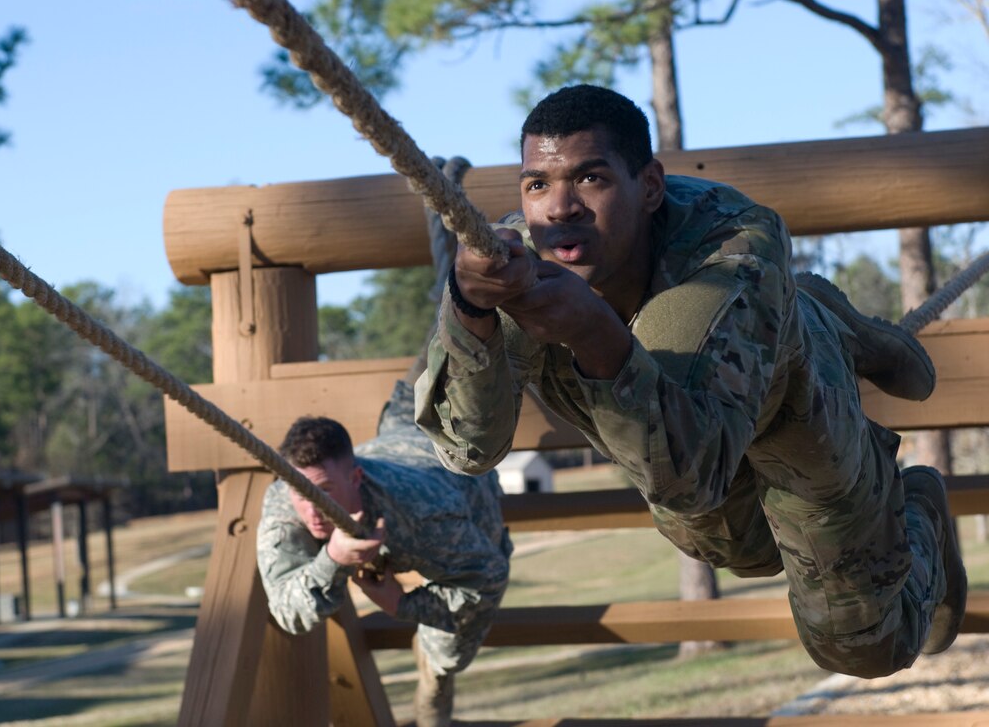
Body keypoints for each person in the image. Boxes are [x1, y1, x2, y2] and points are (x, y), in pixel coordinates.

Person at [414, 83, 966, 679]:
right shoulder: (518, 266)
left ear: (648, 186)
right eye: (537, 184)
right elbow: (467, 448)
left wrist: (597, 335)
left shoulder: (732, 247)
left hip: (791, 405)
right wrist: (470, 311)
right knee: (739, 548)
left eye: (591, 178)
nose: (559, 207)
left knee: (861, 648)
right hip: (696, 429)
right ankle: (805, 309)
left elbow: (693, 475)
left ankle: (914, 502)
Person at [257, 156, 512, 727]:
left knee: (444, 653)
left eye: (319, 491)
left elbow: (487, 577)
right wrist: (330, 561)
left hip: (458, 466)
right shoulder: (287, 499)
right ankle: (450, 234)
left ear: (356, 479)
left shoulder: (431, 510)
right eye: (298, 492)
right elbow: (286, 609)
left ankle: (433, 699)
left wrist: (403, 604)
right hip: (402, 425)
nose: (307, 508)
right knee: (445, 337)